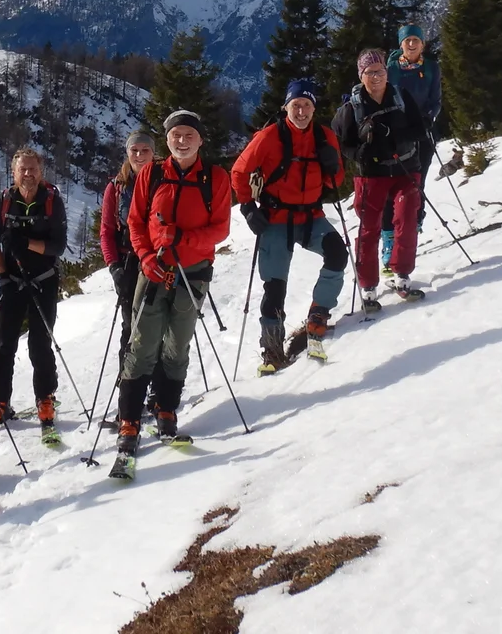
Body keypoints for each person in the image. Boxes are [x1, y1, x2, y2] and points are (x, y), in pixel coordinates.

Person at [112, 109, 233, 479]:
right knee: (141, 345)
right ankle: (130, 421)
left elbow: (221, 229)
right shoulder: (152, 173)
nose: (181, 141)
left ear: (200, 139)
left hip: (192, 274)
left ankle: (166, 410)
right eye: (175, 135)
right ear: (167, 140)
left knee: (177, 345)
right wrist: (147, 257)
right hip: (154, 272)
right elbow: (136, 222)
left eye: (188, 135)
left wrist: (183, 238)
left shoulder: (215, 178)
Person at [230, 78, 347, 373]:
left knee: (337, 252)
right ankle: (272, 349)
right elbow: (239, 171)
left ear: (313, 109)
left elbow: (337, 181)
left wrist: (332, 166)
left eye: (307, 105)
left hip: (311, 216)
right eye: (296, 105)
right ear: (286, 107)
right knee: (275, 289)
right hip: (276, 218)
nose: (302, 111)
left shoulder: (325, 137)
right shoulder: (269, 136)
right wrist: (247, 207)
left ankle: (318, 313)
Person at [0, 148, 68, 438]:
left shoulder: (52, 201)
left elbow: (57, 247)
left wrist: (25, 243)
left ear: (41, 171)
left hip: (43, 279)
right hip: (13, 281)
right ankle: (0, 402)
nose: (28, 174)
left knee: (40, 343)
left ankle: (45, 398)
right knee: (4, 344)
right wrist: (2, 275)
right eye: (22, 170)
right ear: (13, 172)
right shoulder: (3, 201)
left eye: (33, 169)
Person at [333, 49, 428, 312]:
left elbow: (421, 129)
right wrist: (361, 151)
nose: (376, 77)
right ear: (361, 76)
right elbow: (344, 143)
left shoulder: (400, 96)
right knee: (368, 229)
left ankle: (402, 273)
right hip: (371, 174)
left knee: (407, 220)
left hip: (406, 168)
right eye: (370, 72)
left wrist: (397, 136)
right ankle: (368, 285)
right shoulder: (351, 107)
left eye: (380, 71)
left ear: (387, 72)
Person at [98, 130, 165, 422]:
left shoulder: (165, 178)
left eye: (144, 151)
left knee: (159, 324)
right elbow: (107, 232)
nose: (139, 156)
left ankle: (155, 391)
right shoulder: (116, 187)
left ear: (153, 153)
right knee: (131, 327)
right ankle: (129, 388)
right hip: (128, 263)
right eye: (134, 150)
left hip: (160, 260)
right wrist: (113, 266)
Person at [381, 24, 441, 267]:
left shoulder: (431, 68)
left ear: (423, 44)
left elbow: (436, 99)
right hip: (397, 133)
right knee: (391, 184)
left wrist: (427, 117)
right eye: (408, 41)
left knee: (418, 181)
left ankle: (414, 225)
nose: (412, 44)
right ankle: (390, 238)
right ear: (401, 44)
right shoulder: (391, 68)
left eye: (416, 39)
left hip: (423, 132)